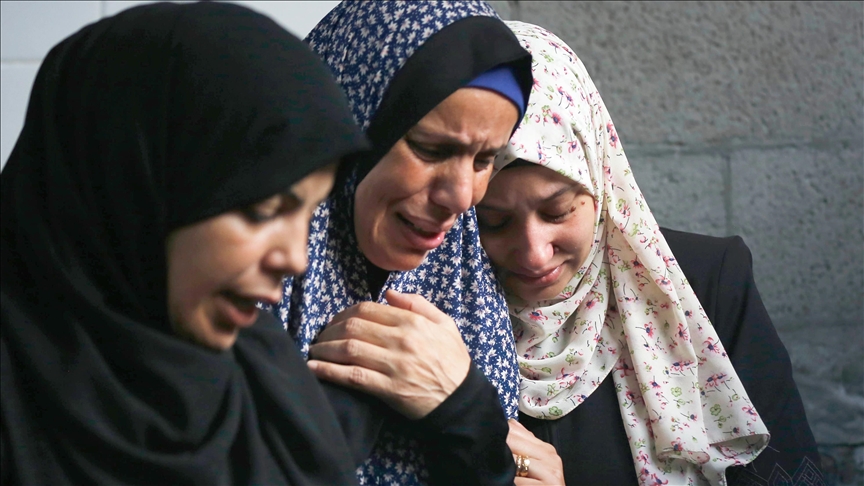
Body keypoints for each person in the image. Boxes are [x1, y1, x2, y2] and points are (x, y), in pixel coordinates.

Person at [0, 2, 371, 484]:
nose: (296, 258)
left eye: (310, 212)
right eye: (263, 210)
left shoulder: (270, 381)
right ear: (128, 187)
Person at [477, 21, 823, 485]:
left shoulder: (704, 284)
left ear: (601, 179)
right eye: (493, 222)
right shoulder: (444, 314)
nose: (535, 254)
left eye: (558, 211)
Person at [272, 1, 533, 484]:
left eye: (484, 160)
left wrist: (463, 410)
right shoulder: (236, 284)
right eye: (431, 149)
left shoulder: (467, 290)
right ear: (350, 121)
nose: (462, 197)